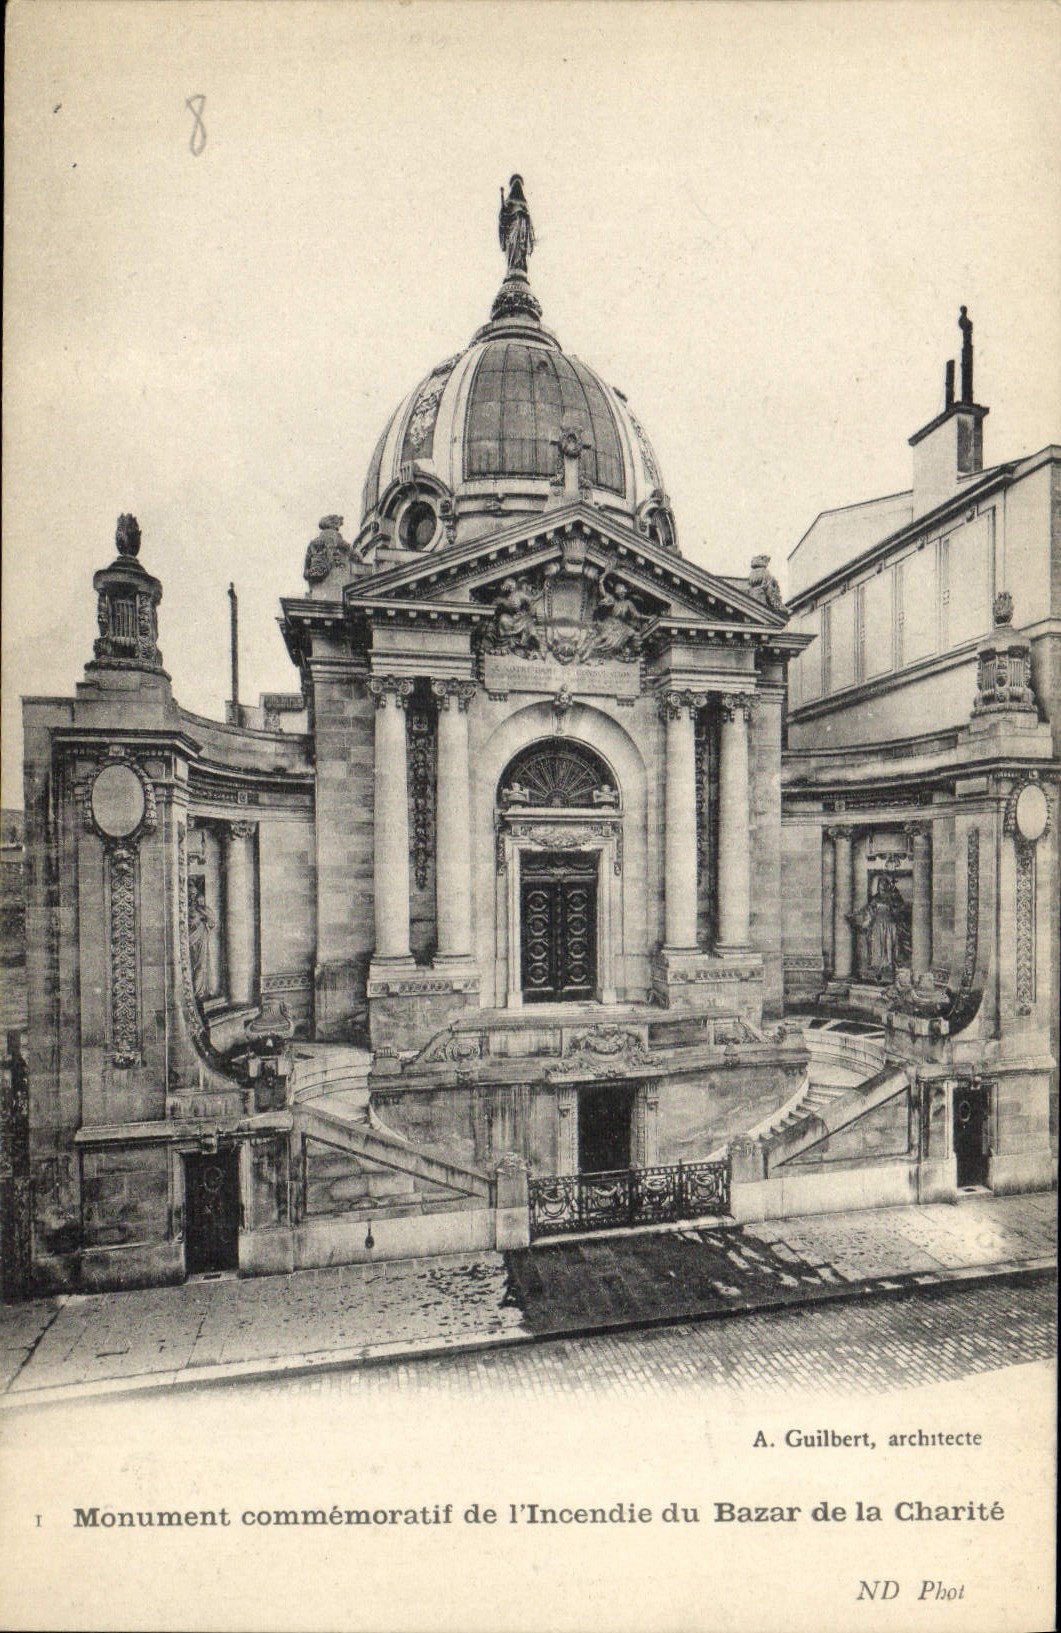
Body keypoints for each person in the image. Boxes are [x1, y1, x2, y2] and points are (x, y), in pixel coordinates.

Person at [188, 887, 216, 999]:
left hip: (201, 938)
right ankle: (194, 992)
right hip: (190, 940)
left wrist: (202, 911)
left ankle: (198, 992)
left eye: (194, 894)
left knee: (201, 964)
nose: (192, 897)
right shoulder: (187, 909)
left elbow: (212, 920)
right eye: (190, 894)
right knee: (193, 965)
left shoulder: (200, 909)